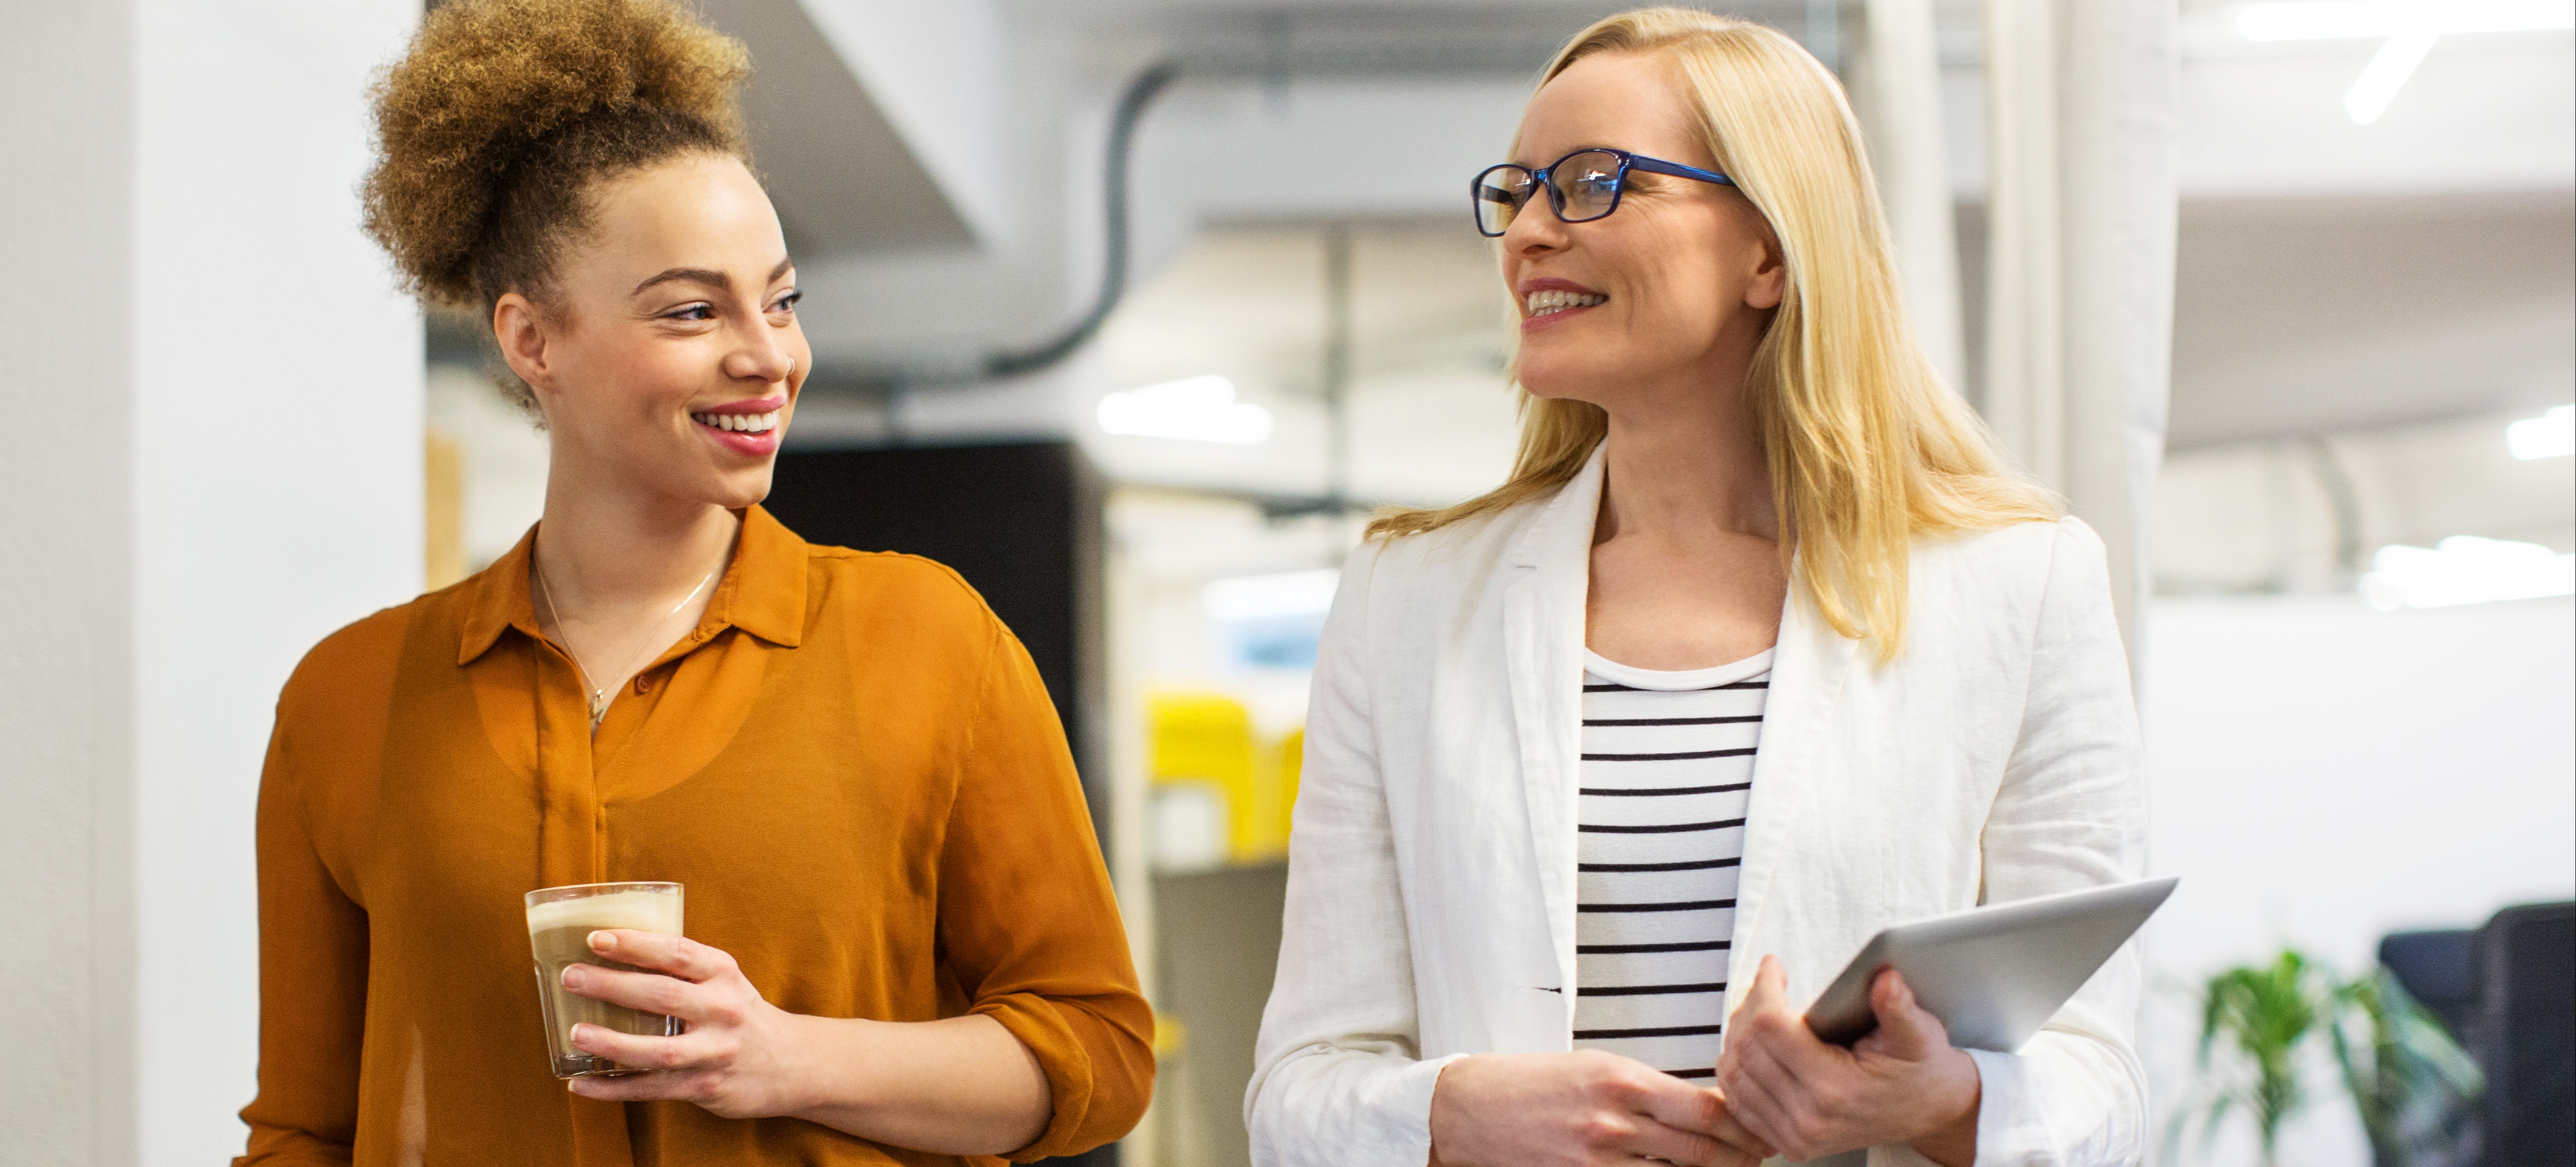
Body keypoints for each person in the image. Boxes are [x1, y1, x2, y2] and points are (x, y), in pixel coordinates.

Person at [237, 2, 1150, 1163]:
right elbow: (304, 1130)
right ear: (531, 340)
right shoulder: (349, 698)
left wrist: (780, 1053)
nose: (767, 353)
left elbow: (1096, 1051)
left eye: (779, 300)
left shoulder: (926, 641)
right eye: (690, 309)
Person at [1246, 9, 2145, 1167]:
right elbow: (1294, 1092)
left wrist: (1943, 1100)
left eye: (1589, 183)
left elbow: (2105, 1085)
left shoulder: (2021, 586)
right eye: (1515, 191)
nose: (1525, 231)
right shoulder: (1405, 601)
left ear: (1768, 251)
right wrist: (1449, 1113)